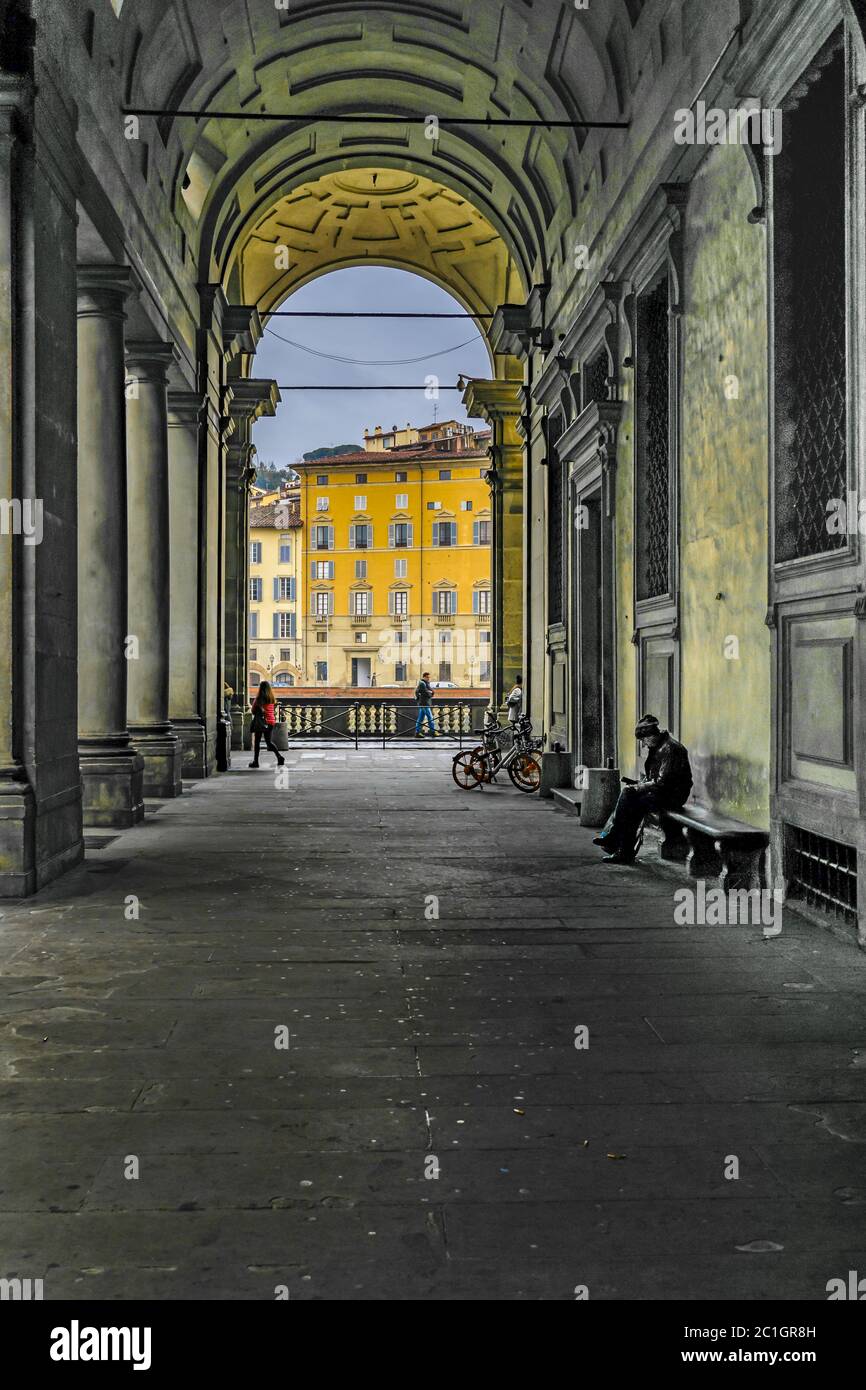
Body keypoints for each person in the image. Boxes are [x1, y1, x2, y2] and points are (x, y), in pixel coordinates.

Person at [595, 714, 692, 864]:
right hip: (661, 793)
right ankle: (619, 845)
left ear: (651, 734)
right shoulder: (659, 746)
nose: (644, 744)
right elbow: (655, 778)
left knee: (630, 801)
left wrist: (640, 787)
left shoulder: (671, 749)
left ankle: (617, 842)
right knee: (629, 797)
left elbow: (664, 782)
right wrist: (640, 785)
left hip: (673, 796)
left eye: (644, 740)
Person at [249, 680, 285, 768]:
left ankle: (256, 762)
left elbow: (253, 711)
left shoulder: (258, 699)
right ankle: (279, 757)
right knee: (269, 742)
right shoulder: (271, 698)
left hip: (261, 723)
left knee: (257, 742)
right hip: (271, 722)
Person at [414, 671, 436, 737]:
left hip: (424, 703)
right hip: (424, 703)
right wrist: (431, 693)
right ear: (424, 677)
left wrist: (431, 692)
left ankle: (417, 732)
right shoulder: (422, 683)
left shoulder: (425, 683)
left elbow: (429, 691)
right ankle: (433, 732)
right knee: (430, 717)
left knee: (420, 718)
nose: (428, 678)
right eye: (427, 677)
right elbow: (426, 693)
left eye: (429, 677)